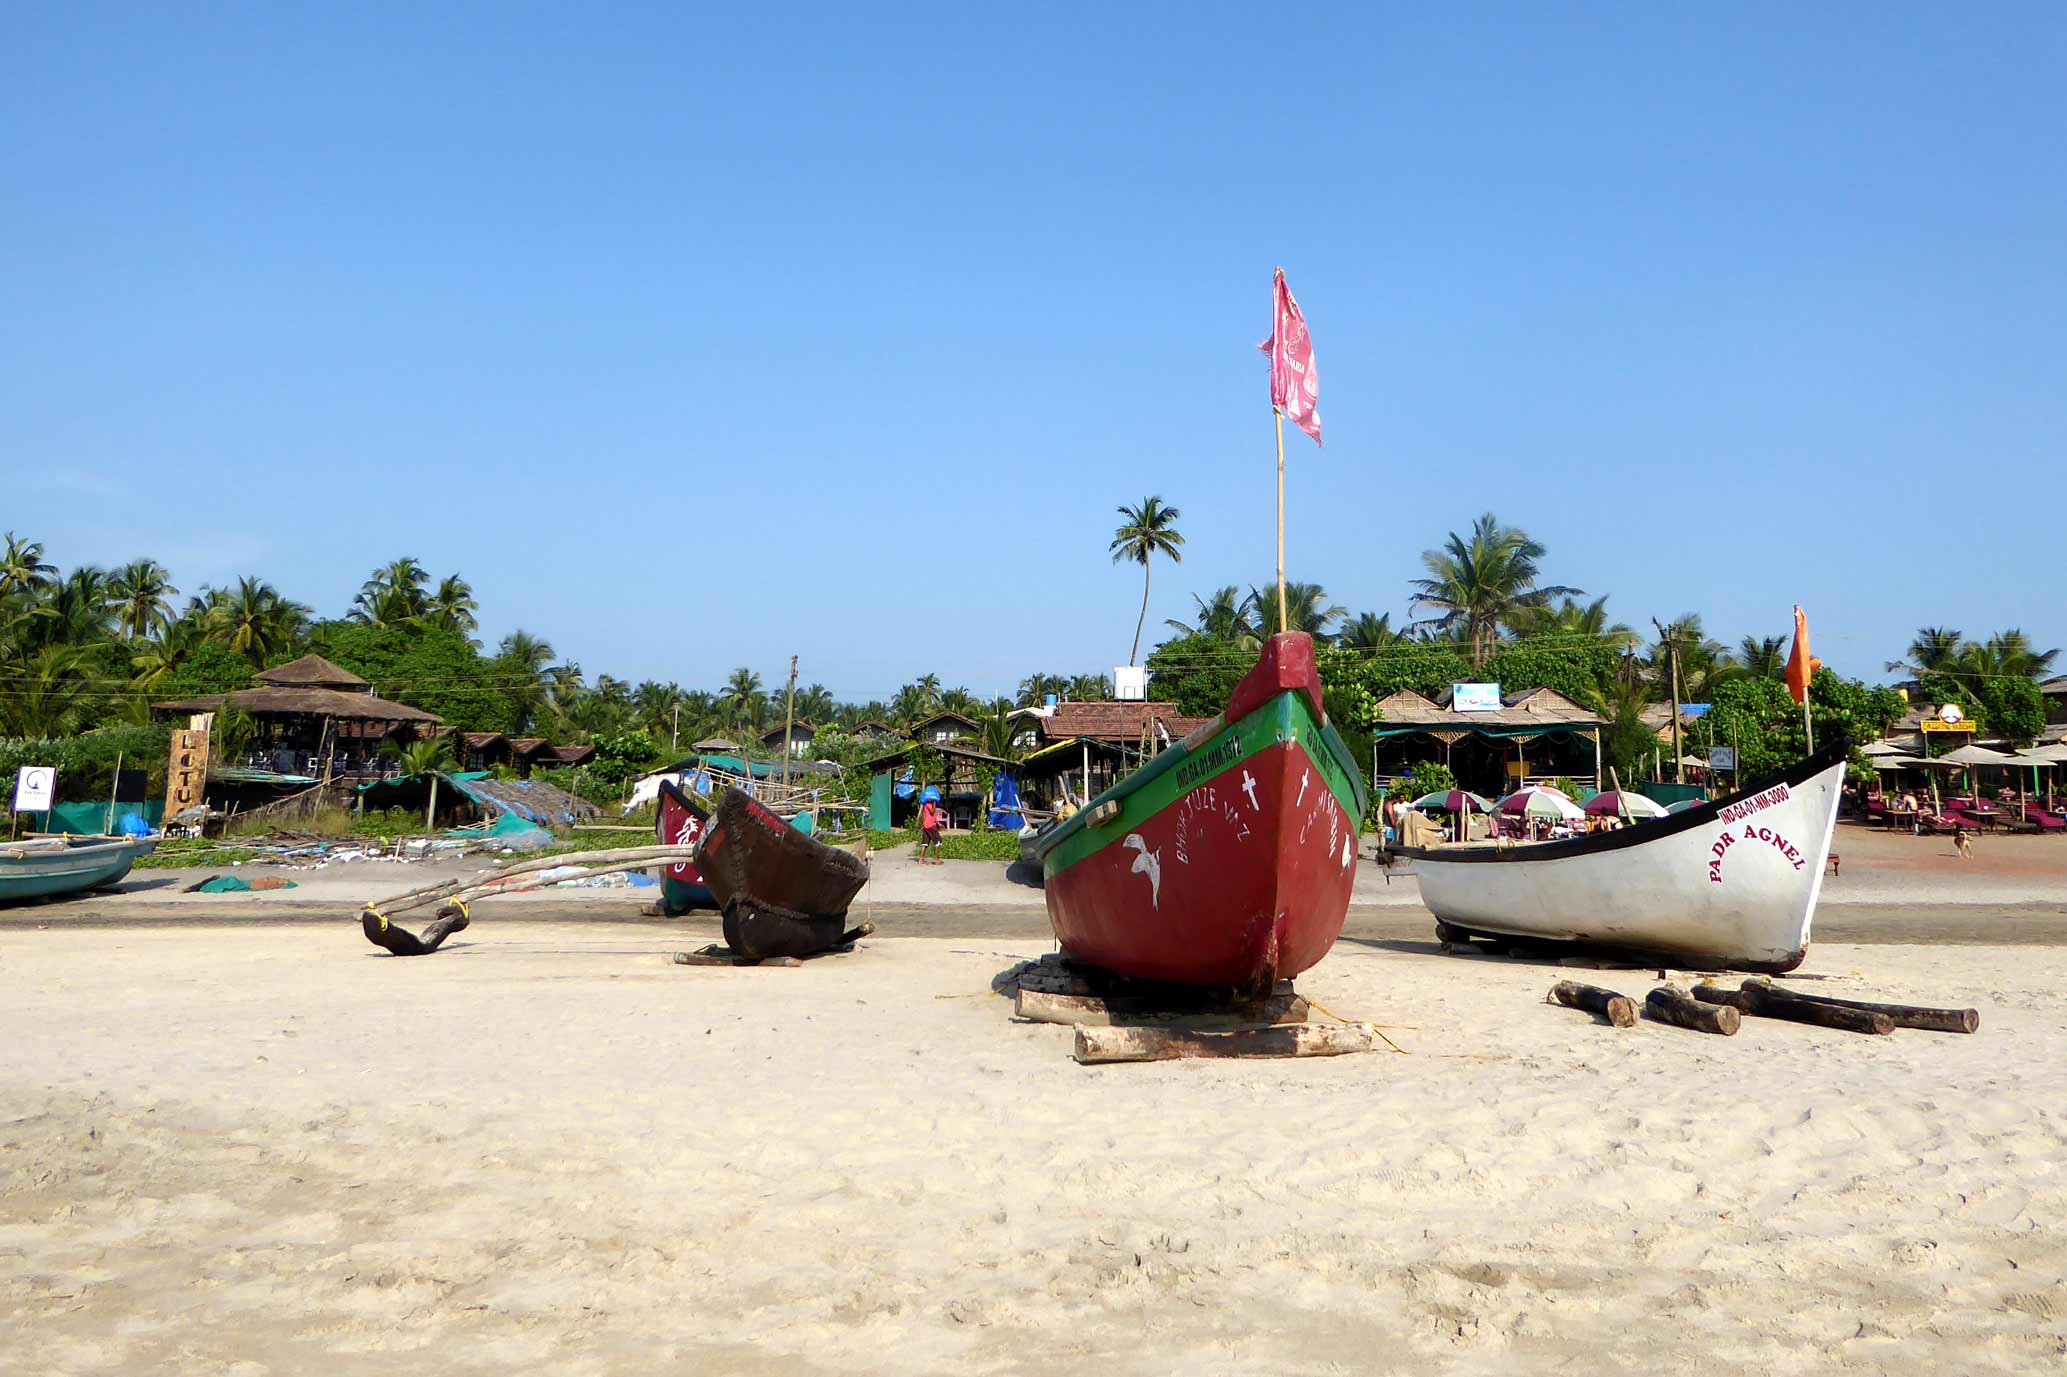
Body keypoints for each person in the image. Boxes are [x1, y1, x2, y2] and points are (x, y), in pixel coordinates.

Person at [918, 796, 945, 865]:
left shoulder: (927, 804)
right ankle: (935, 859)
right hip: (930, 826)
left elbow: (932, 816)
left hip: (926, 826)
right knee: (938, 841)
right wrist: (934, 802)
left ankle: (921, 859)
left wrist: (938, 823)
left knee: (925, 842)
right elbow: (932, 811)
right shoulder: (929, 804)